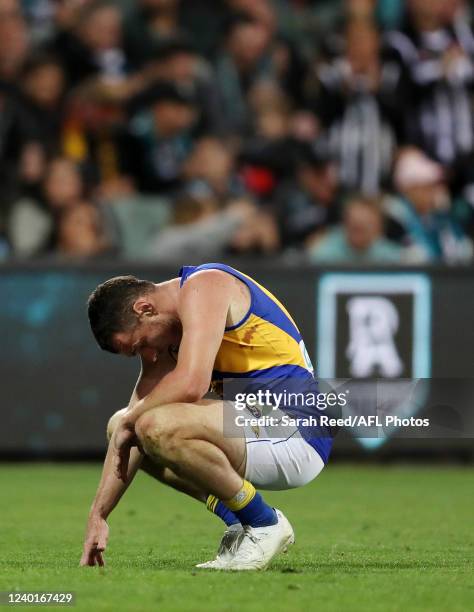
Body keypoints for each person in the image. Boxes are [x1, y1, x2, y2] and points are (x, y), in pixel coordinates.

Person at [81, 263, 333, 571]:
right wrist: (98, 516)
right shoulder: (167, 334)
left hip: (297, 428)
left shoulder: (206, 285)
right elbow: (126, 432)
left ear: (144, 308)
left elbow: (192, 383)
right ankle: (243, 522)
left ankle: (264, 524)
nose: (151, 355)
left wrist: (130, 420)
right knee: (126, 425)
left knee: (152, 424)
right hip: (260, 428)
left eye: (141, 345)